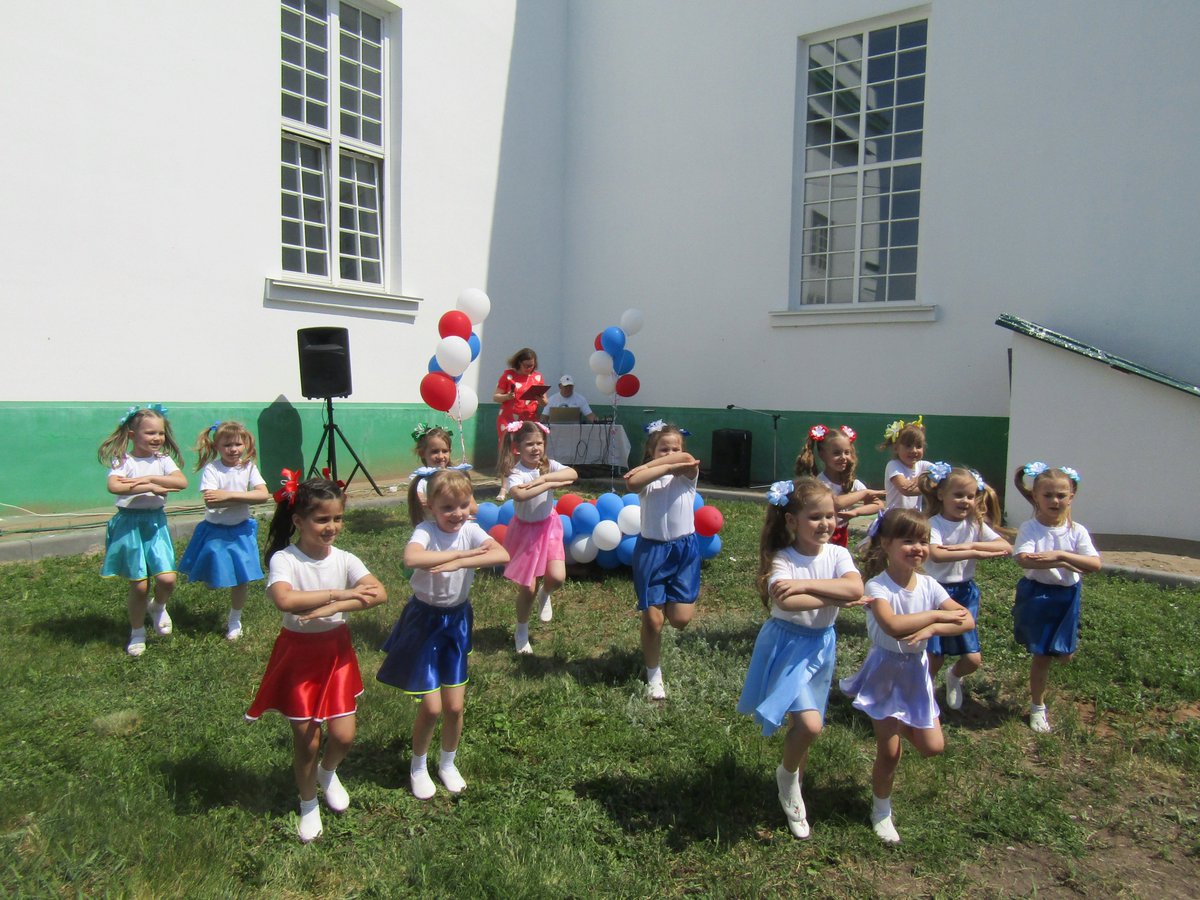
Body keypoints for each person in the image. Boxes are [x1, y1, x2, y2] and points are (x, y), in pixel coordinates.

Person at [245, 476, 388, 843]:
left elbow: (379, 593)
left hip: (336, 653)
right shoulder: (285, 559)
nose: (332, 527)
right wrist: (342, 593)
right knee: (307, 739)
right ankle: (308, 802)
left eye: (338, 518)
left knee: (344, 735)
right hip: (299, 655)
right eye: (322, 520)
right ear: (298, 522)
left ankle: (328, 772)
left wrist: (337, 604)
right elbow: (285, 600)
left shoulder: (345, 558)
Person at [737, 478, 865, 840]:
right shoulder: (783, 558)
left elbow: (856, 588)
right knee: (809, 725)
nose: (826, 523)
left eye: (831, 516)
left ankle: (794, 783)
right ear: (792, 521)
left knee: (805, 725)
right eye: (815, 517)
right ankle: (787, 776)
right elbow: (786, 602)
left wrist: (808, 586)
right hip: (786, 646)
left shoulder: (838, 554)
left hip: (822, 645)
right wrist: (834, 596)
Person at [839, 508, 975, 844]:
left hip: (917, 672)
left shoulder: (929, 584)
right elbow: (894, 627)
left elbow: (967, 620)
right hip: (885, 672)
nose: (918, 548)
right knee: (890, 753)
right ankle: (881, 810)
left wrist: (931, 626)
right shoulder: (877, 586)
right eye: (908, 541)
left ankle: (894, 723)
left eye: (923, 541)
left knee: (933, 747)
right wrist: (935, 619)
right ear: (885, 543)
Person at [377, 469, 509, 798]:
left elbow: (502, 554)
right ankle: (418, 766)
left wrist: (459, 562)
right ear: (430, 507)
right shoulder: (425, 530)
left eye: (463, 505)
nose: (457, 514)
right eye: (448, 508)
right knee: (432, 708)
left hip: (457, 621)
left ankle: (447, 763)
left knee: (454, 707)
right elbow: (412, 558)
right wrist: (460, 556)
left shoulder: (471, 529)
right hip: (425, 621)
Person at [1010, 462, 1102, 734]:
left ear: (1071, 496)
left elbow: (1094, 564)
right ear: (1035, 497)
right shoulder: (1031, 528)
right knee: (1042, 656)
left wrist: (1059, 556)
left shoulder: (1077, 531)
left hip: (1067, 597)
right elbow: (1024, 558)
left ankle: (1055, 660)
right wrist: (1068, 563)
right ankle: (1038, 707)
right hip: (1038, 596)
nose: (1055, 500)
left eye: (1061, 495)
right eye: (1048, 495)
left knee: (1064, 655)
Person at [916, 463, 1011, 709]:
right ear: (941, 495)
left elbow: (1005, 546)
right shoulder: (934, 523)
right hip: (935, 592)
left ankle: (954, 676)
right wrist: (974, 551)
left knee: (972, 658)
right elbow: (936, 554)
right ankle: (925, 696)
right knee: (934, 654)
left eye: (970, 496)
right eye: (958, 495)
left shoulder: (975, 525)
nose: (965, 501)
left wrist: (965, 548)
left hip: (965, 593)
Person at [98, 405, 189, 657]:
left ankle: (158, 606)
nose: (157, 438)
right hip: (129, 525)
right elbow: (114, 486)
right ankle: (137, 631)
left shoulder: (162, 460)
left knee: (167, 579)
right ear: (131, 434)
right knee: (139, 585)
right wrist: (148, 487)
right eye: (150, 433)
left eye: (160, 433)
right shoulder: (123, 460)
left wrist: (147, 481)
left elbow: (180, 482)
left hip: (155, 524)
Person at [622, 420, 702, 700]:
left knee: (680, 620)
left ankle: (669, 601)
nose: (670, 454)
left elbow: (687, 461)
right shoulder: (648, 482)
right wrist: (656, 468)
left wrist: (665, 464)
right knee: (654, 622)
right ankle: (654, 675)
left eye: (675, 448)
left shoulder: (687, 476)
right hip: (652, 552)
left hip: (684, 552)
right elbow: (632, 483)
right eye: (663, 449)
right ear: (651, 451)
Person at [177, 421, 270, 640]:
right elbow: (211, 502)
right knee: (212, 575)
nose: (234, 449)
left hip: (241, 530)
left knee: (241, 578)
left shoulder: (248, 467)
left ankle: (234, 619)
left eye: (238, 444)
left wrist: (228, 496)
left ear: (245, 444)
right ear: (216, 446)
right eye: (227, 445)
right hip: (216, 530)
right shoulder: (212, 469)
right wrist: (243, 498)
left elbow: (263, 495)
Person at [498, 420, 578, 652]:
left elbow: (572, 473)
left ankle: (547, 593)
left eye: (539, 443)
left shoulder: (548, 465)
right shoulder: (516, 471)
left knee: (557, 577)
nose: (535, 449)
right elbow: (518, 495)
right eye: (529, 444)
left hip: (549, 526)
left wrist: (543, 479)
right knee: (528, 587)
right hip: (525, 532)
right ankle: (521, 630)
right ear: (517, 448)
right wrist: (548, 482)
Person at [794, 423, 885, 546]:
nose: (843, 457)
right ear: (822, 454)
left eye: (847, 452)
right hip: (821, 535)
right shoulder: (819, 484)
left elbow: (878, 505)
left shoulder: (851, 482)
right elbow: (834, 503)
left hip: (841, 533)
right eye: (836, 453)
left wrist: (856, 512)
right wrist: (864, 493)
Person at [408, 423, 475, 518]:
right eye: (434, 451)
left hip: (457, 525)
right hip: (433, 527)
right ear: (422, 453)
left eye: (445, 451)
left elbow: (473, 507)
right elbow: (420, 505)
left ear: (450, 451)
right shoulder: (420, 479)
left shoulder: (457, 476)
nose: (440, 456)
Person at [492, 348, 546, 443]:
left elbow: (545, 402)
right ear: (519, 363)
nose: (529, 368)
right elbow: (496, 397)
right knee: (509, 450)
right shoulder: (508, 376)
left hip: (529, 420)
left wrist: (540, 399)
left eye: (531, 366)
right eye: (526, 365)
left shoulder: (537, 378)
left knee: (528, 448)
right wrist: (507, 396)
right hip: (509, 420)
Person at [880, 416, 932, 511]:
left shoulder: (922, 465)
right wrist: (931, 489)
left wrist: (921, 477)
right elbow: (906, 489)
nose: (914, 450)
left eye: (919, 446)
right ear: (896, 448)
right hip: (895, 518)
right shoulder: (893, 465)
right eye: (908, 446)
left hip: (914, 517)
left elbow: (943, 472)